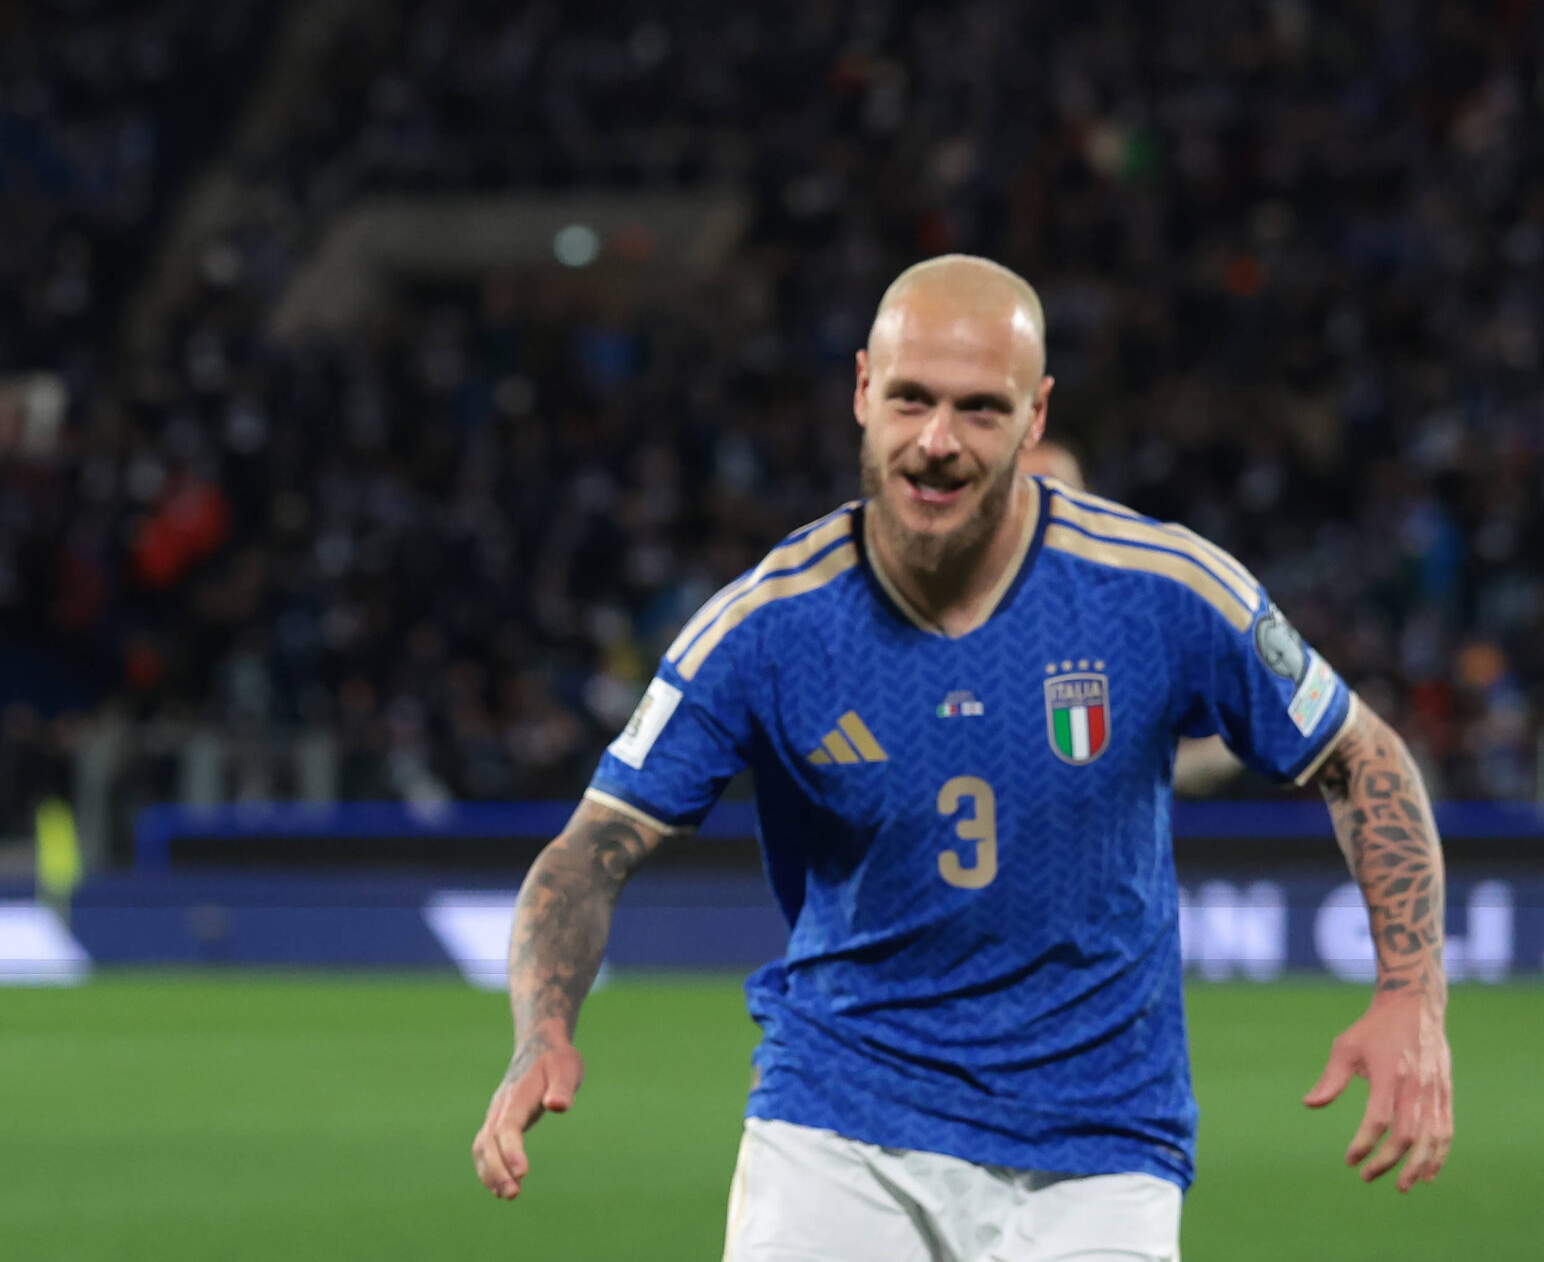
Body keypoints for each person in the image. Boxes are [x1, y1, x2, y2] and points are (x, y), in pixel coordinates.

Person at [471, 255, 1452, 1259]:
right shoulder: (767, 626)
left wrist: (1410, 992)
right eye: (911, 398)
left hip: (1101, 1146)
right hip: (839, 1126)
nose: (937, 441)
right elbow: (592, 846)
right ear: (862, 390)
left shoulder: (1158, 589)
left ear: (1035, 416)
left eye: (980, 409)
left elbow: (1359, 756)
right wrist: (542, 1030)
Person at [1016, 440, 1244, 795]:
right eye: (1027, 496)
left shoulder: (1149, 615)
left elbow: (1246, 724)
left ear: (1088, 501)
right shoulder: (962, 624)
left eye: (1057, 497)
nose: (1043, 515)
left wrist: (1151, 774)